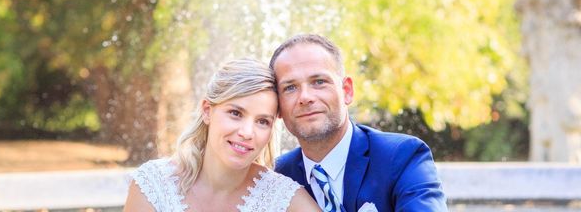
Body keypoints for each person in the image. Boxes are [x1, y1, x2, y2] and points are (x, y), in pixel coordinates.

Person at [271, 34, 448, 212]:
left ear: (347, 91)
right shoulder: (275, 177)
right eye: (290, 88)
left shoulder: (402, 156)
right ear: (277, 106)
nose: (305, 97)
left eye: (319, 82)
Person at [123, 58, 319, 212]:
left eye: (262, 121)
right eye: (236, 113)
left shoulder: (283, 198)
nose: (247, 132)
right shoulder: (153, 184)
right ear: (207, 111)